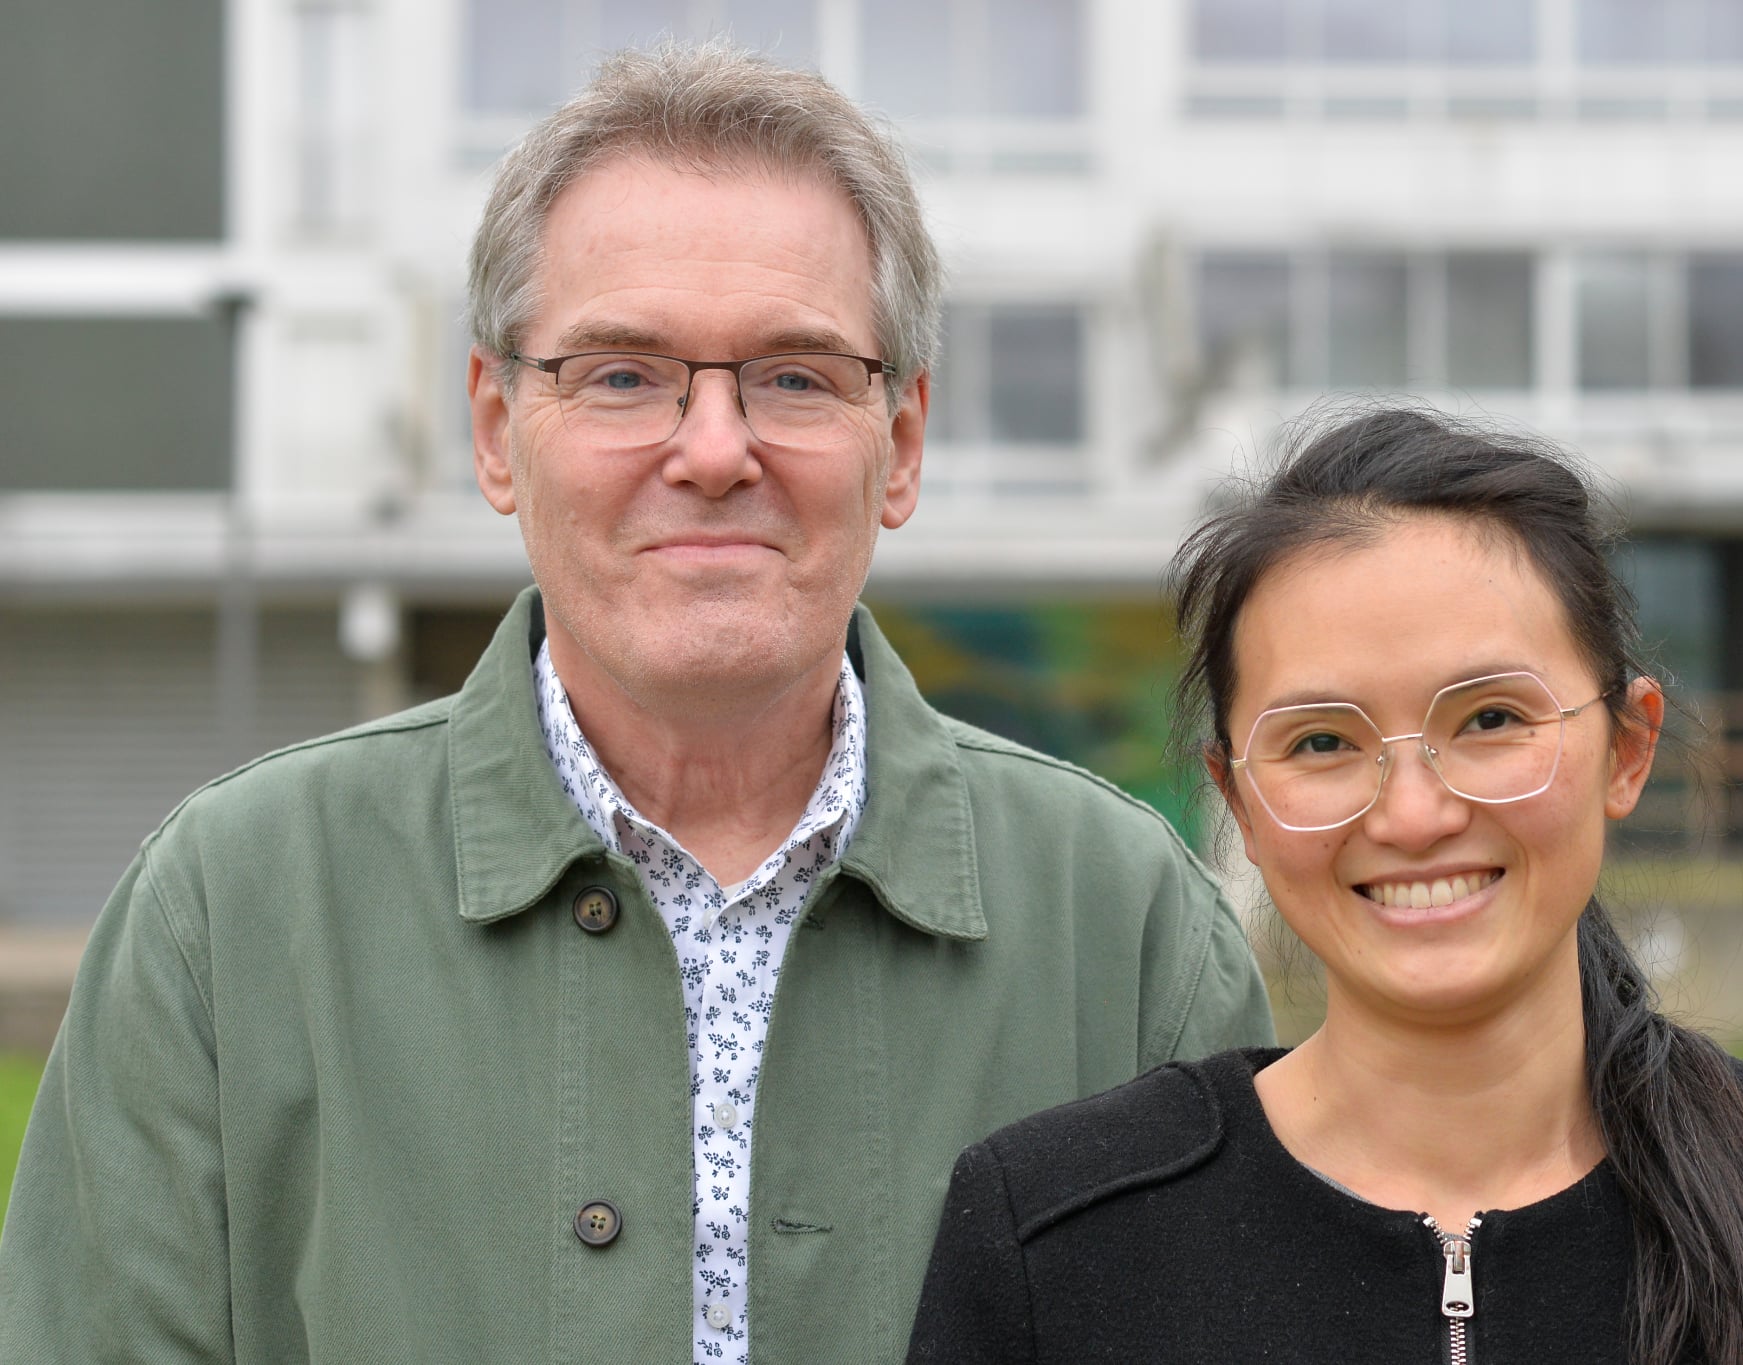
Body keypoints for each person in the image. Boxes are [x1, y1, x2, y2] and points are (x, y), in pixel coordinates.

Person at [0, 44, 1272, 1363]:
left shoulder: (1130, 933)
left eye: (795, 374)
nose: (715, 450)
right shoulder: (229, 911)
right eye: (620, 374)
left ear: (899, 443)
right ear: (496, 430)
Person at [906, 407, 1743, 1364]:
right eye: (1323, 741)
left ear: (1624, 749)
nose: (1413, 813)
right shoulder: (1051, 1237)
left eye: (1488, 721)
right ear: (1234, 800)